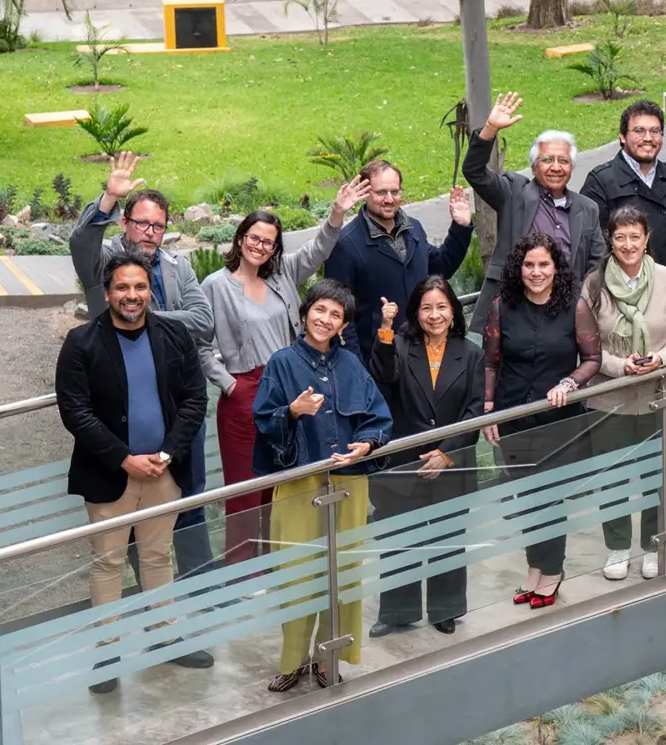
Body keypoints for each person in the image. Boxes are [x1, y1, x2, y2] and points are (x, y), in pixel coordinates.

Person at [54, 251, 215, 694]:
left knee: (158, 556)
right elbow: (75, 411)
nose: (132, 295)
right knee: (108, 562)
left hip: (164, 472)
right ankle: (106, 653)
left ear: (150, 293)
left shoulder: (174, 335)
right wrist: (124, 457)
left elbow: (194, 399)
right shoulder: (82, 343)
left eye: (140, 287)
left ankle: (165, 637)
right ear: (107, 293)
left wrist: (168, 453)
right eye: (122, 287)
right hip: (110, 476)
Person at [199, 178, 370, 565]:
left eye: (269, 242)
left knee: (286, 482)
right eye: (254, 238)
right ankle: (243, 573)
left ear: (276, 248)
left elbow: (318, 249)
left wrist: (338, 212)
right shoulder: (216, 286)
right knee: (245, 489)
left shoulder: (282, 275)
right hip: (245, 392)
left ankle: (284, 565)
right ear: (240, 238)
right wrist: (229, 385)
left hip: (292, 389)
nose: (261, 247)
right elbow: (200, 346)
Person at [69, 152, 218, 582]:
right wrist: (108, 197)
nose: (150, 233)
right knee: (128, 519)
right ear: (125, 223)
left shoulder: (177, 266)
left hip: (177, 407)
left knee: (189, 498)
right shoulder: (104, 263)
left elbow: (203, 320)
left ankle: (198, 588)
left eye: (158, 226)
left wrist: (145, 318)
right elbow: (80, 244)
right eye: (142, 223)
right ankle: (142, 601)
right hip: (124, 410)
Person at [253, 279, 392, 693]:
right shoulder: (281, 363)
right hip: (300, 485)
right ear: (304, 314)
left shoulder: (352, 364)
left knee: (345, 575)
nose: (325, 319)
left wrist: (366, 443)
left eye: (336, 315)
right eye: (319, 310)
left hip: (349, 483)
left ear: (343, 325)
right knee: (297, 575)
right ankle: (293, 661)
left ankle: (328, 660)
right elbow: (263, 421)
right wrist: (292, 412)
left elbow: (378, 417)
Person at [482, 233, 601, 610]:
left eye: (543, 264)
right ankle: (535, 569)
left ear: (556, 268)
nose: (536, 272)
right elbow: (490, 362)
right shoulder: (503, 306)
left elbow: (592, 358)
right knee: (527, 498)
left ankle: (552, 573)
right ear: (519, 268)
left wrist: (570, 382)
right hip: (513, 416)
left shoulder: (574, 306)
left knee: (549, 497)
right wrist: (489, 408)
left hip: (557, 421)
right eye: (529, 265)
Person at [366, 276, 484, 638]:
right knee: (400, 539)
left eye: (442, 307)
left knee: (447, 536)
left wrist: (446, 453)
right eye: (427, 308)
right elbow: (382, 378)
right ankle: (397, 613)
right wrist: (386, 329)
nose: (435, 315)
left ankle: (445, 609)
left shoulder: (471, 353)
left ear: (454, 311)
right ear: (416, 313)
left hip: (452, 462)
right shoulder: (400, 345)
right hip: (405, 461)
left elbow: (475, 410)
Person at [583, 206, 666, 581]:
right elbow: (587, 346)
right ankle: (617, 547)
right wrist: (619, 366)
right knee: (611, 476)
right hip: (608, 398)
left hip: (660, 394)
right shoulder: (593, 285)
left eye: (635, 236)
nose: (628, 244)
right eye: (620, 237)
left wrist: (659, 359)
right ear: (610, 241)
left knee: (658, 476)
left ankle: (651, 544)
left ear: (647, 239)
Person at [464, 92, 606, 330]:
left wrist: (579, 302)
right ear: (533, 166)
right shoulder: (513, 193)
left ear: (571, 167)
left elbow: (597, 263)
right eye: (547, 160)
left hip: (563, 315)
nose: (556, 167)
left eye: (563, 161)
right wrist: (490, 128)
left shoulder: (587, 208)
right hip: (510, 311)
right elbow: (474, 171)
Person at [325, 159, 474, 363]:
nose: (389, 199)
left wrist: (461, 227)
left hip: (423, 352)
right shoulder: (345, 245)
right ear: (365, 193)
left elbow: (440, 269)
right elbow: (339, 314)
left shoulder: (414, 229)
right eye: (381, 192)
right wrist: (355, 368)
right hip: (378, 359)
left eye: (395, 192)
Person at [579, 100, 666, 268]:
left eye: (655, 131)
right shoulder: (601, 181)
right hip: (625, 279)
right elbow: (593, 244)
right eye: (639, 130)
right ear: (622, 136)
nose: (648, 138)